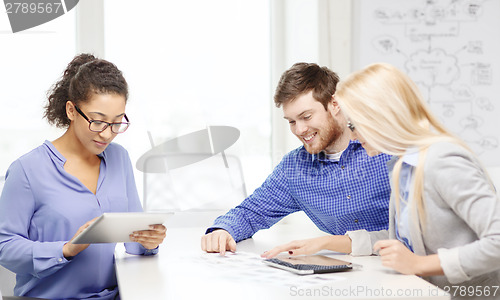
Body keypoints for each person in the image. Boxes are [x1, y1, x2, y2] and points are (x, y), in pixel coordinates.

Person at [263, 63, 500, 298]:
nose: (353, 136)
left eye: (355, 125)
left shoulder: (442, 160)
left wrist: (418, 265)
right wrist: (327, 243)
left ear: (381, 117)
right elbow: (403, 241)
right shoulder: (402, 166)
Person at [0, 54, 166, 299]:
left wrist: (149, 240)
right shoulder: (28, 169)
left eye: (117, 123)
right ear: (71, 110)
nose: (107, 134)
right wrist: (67, 249)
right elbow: (5, 247)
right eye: (98, 122)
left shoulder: (119, 158)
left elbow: (134, 242)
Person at [201, 62, 392, 255]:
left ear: (334, 104)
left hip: (403, 268)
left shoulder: (386, 146)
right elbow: (253, 211)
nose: (299, 130)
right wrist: (222, 230)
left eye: (306, 117)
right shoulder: (295, 168)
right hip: (348, 270)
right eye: (292, 121)